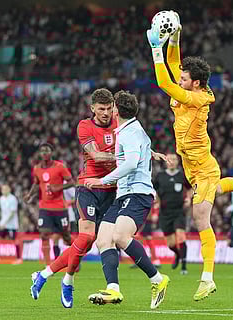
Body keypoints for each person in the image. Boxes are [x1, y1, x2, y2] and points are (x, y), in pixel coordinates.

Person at [146, 12, 233, 300]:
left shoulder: (197, 97)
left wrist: (155, 48)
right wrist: (174, 37)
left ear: (196, 84)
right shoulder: (189, 87)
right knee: (216, 190)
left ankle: (207, 278)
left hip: (202, 168)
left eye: (185, 78)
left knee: (201, 218)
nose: (181, 78)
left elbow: (165, 82)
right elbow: (175, 67)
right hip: (194, 165)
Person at [30, 88, 119, 308]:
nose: (106, 113)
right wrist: (127, 157)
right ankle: (68, 281)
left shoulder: (120, 123)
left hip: (111, 190)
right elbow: (97, 155)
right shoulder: (84, 126)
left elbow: (137, 142)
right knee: (86, 238)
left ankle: (43, 275)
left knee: (90, 244)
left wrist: (149, 152)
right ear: (93, 109)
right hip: (88, 186)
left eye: (109, 108)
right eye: (101, 109)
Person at [86, 90, 170, 310]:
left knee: (121, 236)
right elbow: (137, 152)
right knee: (104, 239)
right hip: (124, 194)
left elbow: (131, 163)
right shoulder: (131, 129)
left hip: (137, 193)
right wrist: (152, 152)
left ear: (116, 110)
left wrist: (102, 180)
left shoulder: (128, 132)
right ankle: (113, 288)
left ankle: (157, 280)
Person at [24, 143, 75, 266]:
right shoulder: (37, 168)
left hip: (60, 208)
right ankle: (48, 265)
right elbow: (36, 183)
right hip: (45, 207)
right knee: (44, 233)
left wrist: (58, 188)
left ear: (51, 152)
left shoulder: (60, 167)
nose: (44, 153)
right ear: (40, 154)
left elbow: (72, 182)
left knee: (66, 236)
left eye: (47, 151)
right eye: (42, 151)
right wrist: (30, 195)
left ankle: (75, 257)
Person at [153, 153, 189, 274]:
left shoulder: (182, 175)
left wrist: (189, 199)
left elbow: (190, 188)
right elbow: (154, 190)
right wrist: (157, 201)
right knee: (171, 243)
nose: (172, 161)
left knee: (181, 236)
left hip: (179, 211)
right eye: (170, 159)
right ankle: (178, 255)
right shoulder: (160, 176)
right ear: (166, 161)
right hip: (165, 213)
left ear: (178, 162)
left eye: (174, 159)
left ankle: (184, 266)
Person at [0, 184, 22, 265]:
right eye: (2, 189)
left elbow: (12, 213)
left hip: (12, 224)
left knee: (15, 240)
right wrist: (2, 222)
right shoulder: (1, 199)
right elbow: (4, 213)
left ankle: (19, 259)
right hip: (3, 223)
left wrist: (5, 223)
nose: (4, 191)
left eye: (6, 189)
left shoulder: (13, 199)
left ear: (9, 189)